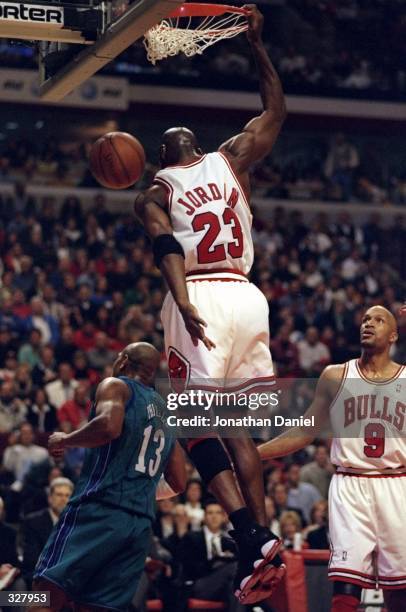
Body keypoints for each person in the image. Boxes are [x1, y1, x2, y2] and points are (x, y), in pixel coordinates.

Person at [134, 4, 286, 604]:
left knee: (188, 418)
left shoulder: (154, 190)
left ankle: (249, 534)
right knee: (240, 428)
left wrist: (182, 299)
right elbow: (275, 109)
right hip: (250, 298)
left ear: (157, 155)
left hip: (200, 292)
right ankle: (262, 544)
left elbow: (167, 245)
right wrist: (257, 47)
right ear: (192, 147)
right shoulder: (232, 160)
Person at [258, 306, 406, 612]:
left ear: (393, 335)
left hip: (397, 485)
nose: (369, 324)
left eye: (379, 320)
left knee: (400, 589)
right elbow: (306, 431)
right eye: (366, 319)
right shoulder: (335, 375)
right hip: (350, 485)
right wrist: (255, 454)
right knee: (346, 587)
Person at [33, 342, 187, 612]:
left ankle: (5, 598)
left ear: (124, 360)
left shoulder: (116, 385)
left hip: (99, 509)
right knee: (97, 606)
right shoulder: (167, 413)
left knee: (44, 595)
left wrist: (66, 439)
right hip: (139, 525)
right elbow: (178, 482)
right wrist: (139, 489)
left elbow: (108, 426)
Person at [22, 477, 74, 587]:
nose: (63, 499)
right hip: (41, 577)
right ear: (50, 498)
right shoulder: (33, 522)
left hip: (69, 581)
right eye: (59, 495)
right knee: (7, 597)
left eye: (67, 496)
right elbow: (31, 559)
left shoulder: (77, 522)